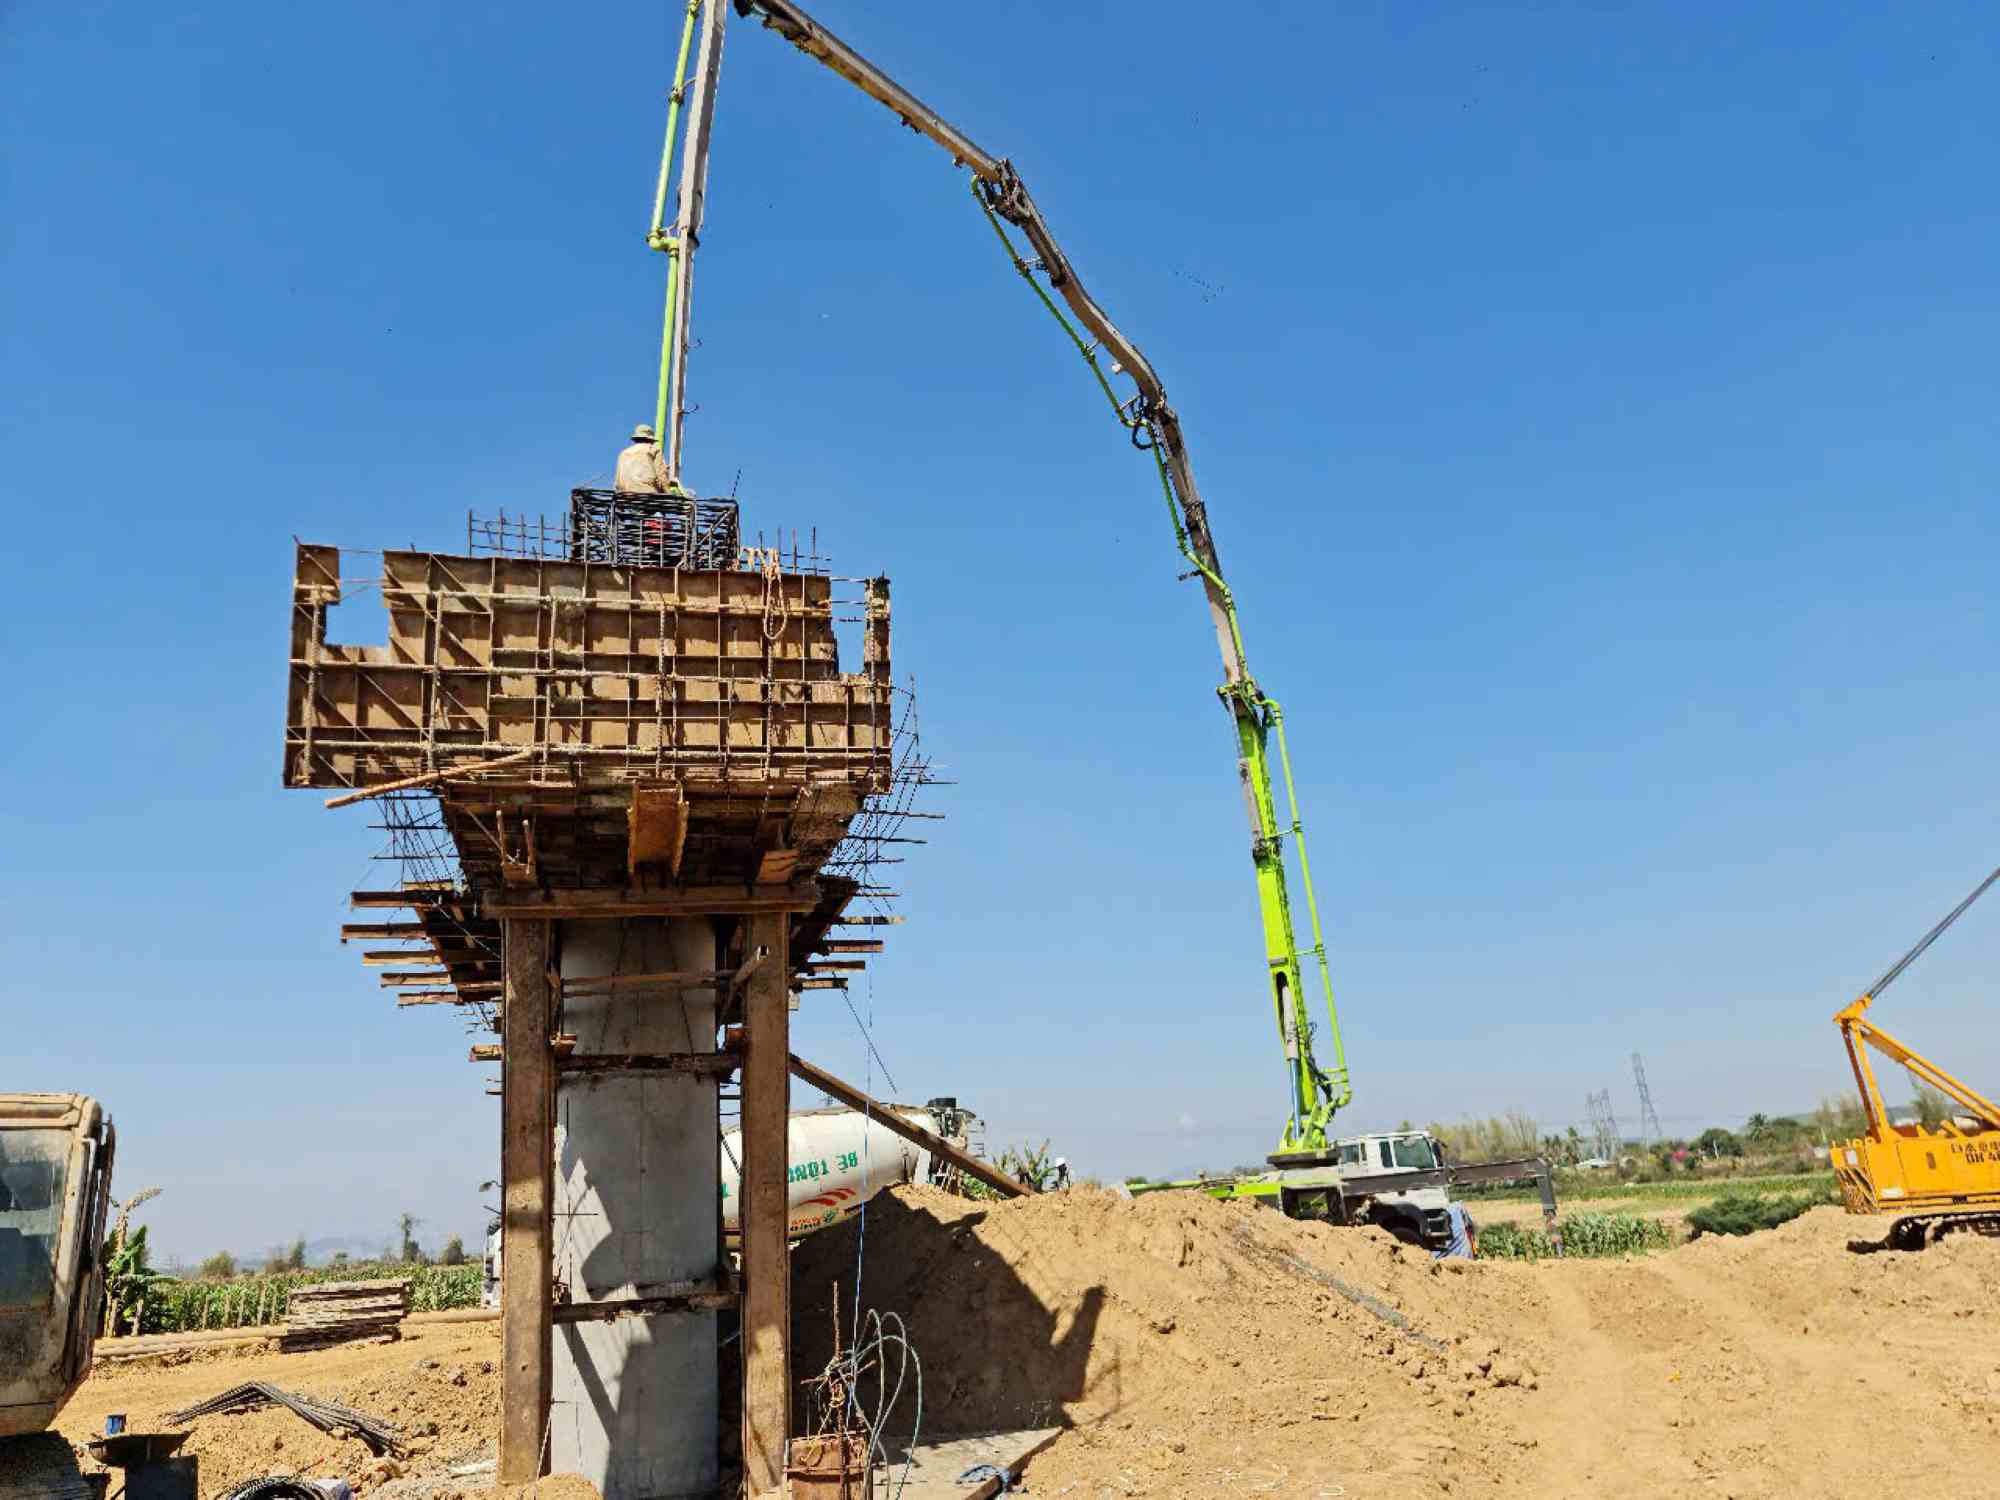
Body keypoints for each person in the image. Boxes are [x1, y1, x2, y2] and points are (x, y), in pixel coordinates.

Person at [615, 423, 668, 494]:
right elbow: (661, 475)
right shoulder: (653, 449)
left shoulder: (623, 453)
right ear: (651, 440)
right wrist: (668, 493)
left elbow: (618, 482)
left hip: (625, 495)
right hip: (647, 493)